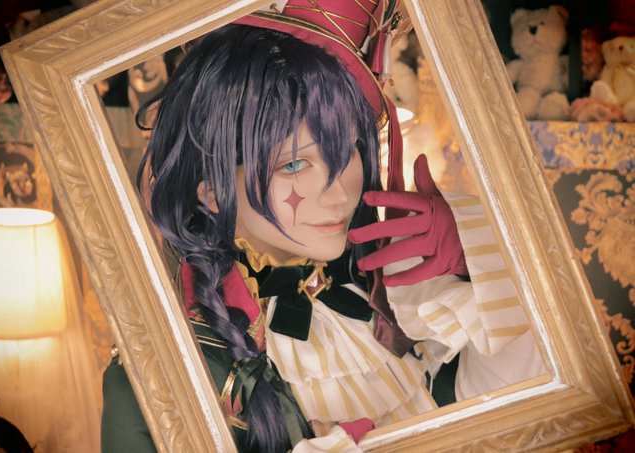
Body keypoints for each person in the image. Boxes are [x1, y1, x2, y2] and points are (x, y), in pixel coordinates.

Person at [101, 2, 544, 452]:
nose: (338, 193)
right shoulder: (156, 375)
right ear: (212, 189)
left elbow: (516, 419)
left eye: (345, 149)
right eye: (294, 164)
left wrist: (482, 263)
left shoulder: (398, 305)